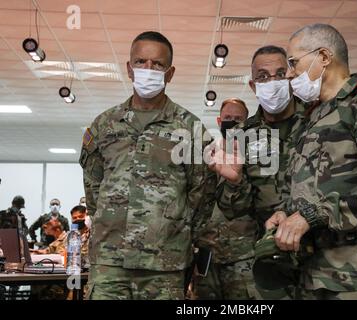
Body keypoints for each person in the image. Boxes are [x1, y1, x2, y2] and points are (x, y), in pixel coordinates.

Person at [263, 23, 357, 300]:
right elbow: (306, 186)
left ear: (324, 57)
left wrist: (311, 216)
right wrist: (286, 214)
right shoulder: (310, 118)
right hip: (310, 274)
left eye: (294, 62)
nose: (291, 73)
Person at [79, 31, 214, 300]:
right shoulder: (104, 124)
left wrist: (176, 230)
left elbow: (204, 193)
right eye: (141, 62)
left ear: (170, 73)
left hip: (164, 263)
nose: (148, 70)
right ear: (129, 69)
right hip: (109, 260)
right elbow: (93, 185)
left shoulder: (190, 128)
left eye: (157, 64)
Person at [207, 45, 309, 299]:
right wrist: (235, 181)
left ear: (292, 78)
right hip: (267, 261)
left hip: (321, 259)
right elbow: (233, 209)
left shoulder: (317, 121)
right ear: (253, 86)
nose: (272, 82)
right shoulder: (242, 135)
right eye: (263, 76)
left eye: (280, 74)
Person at [193, 97, 256, 300]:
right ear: (219, 121)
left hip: (243, 254)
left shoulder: (257, 158)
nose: (233, 122)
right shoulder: (206, 155)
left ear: (247, 123)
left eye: (238, 119)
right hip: (207, 252)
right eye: (228, 117)